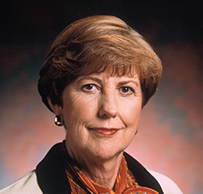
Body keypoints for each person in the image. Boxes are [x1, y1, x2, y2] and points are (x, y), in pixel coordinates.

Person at [0, 15, 183, 194]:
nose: (109, 109)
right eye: (90, 87)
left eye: (126, 89)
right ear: (56, 101)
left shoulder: (168, 190)